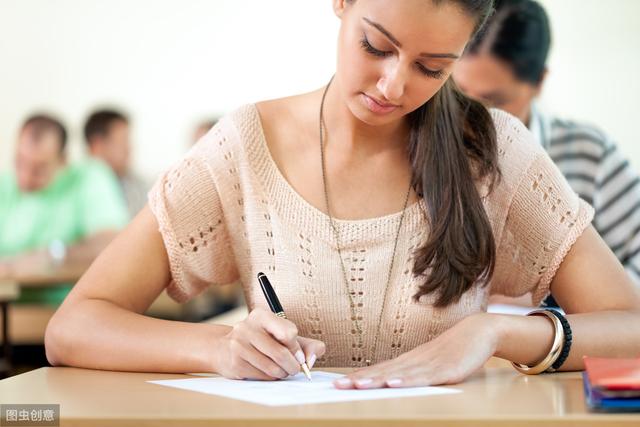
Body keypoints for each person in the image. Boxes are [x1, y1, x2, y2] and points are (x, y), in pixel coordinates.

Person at [45, 0, 640, 389]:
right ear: (341, 4)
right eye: (376, 47)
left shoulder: (495, 151)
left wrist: (494, 333)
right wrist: (219, 345)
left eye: (432, 68)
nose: (393, 85)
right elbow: (72, 328)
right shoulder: (246, 148)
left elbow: (631, 325)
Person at [453, 0, 640, 287]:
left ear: (539, 82)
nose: (471, 117)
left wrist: (568, 307)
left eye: (496, 102)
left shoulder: (589, 154)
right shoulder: (413, 145)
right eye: (459, 93)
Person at [0, 114, 129, 305]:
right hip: (9, 309)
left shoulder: (89, 177)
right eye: (20, 163)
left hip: (67, 309)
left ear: (63, 160)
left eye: (39, 168)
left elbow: (112, 243)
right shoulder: (5, 185)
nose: (26, 177)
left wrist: (52, 255)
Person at [84, 109, 148, 218]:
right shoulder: (76, 187)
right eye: (123, 141)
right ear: (97, 145)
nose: (129, 148)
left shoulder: (138, 186)